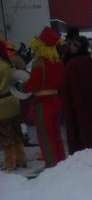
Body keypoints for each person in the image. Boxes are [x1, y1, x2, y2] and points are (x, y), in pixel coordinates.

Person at [21, 26, 66, 168]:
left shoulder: (38, 63)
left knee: (45, 136)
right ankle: (61, 161)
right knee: (56, 134)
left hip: (42, 103)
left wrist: (21, 87)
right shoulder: (58, 62)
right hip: (55, 101)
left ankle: (51, 163)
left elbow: (33, 84)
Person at [61, 35, 92, 153]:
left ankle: (82, 153)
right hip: (91, 102)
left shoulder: (73, 64)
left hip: (77, 103)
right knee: (91, 128)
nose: (71, 47)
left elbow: (67, 85)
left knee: (80, 130)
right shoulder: (89, 61)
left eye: (74, 45)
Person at [0, 38, 28, 170]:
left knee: (5, 135)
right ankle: (21, 158)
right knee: (16, 133)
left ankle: (10, 163)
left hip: (2, 105)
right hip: (14, 101)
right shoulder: (9, 64)